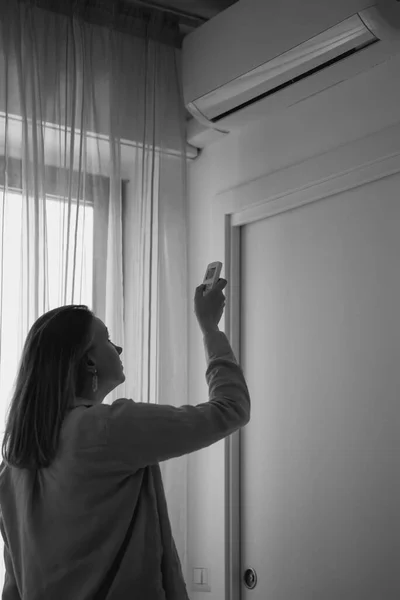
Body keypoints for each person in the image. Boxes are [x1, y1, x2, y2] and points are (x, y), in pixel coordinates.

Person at [0, 278, 251, 599]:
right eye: (106, 339)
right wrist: (210, 328)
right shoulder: (108, 429)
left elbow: (13, 587)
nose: (117, 348)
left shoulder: (12, 466)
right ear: (88, 360)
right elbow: (231, 409)